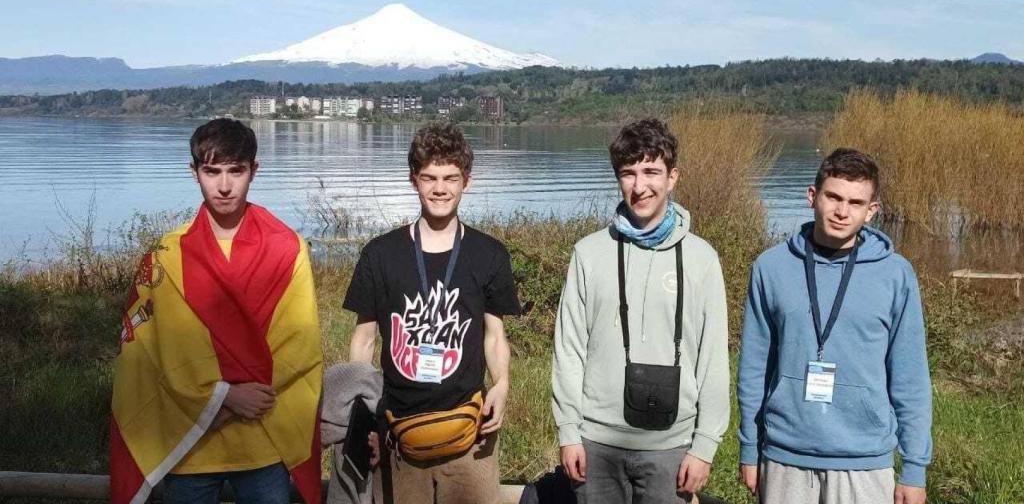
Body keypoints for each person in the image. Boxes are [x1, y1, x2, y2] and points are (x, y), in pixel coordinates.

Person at [110, 118, 323, 504]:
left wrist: (228, 403)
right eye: (212, 171)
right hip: (191, 446)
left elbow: (299, 345)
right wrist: (224, 400)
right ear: (194, 173)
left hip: (262, 438)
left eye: (235, 171)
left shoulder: (287, 249)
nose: (224, 185)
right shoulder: (166, 256)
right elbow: (148, 352)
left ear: (253, 171)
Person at [737, 147, 932, 504]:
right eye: (833, 197)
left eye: (856, 203)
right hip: (784, 457)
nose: (842, 212)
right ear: (813, 196)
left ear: (871, 211)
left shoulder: (895, 275)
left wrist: (915, 468)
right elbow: (753, 369)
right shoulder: (771, 268)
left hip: (864, 463)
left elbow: (911, 379)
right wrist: (750, 448)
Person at [552, 118, 731, 503]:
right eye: (628, 174)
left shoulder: (702, 259)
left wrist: (705, 445)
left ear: (672, 177)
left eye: (651, 171)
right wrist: (568, 430)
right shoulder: (589, 253)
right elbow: (569, 349)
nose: (640, 186)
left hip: (672, 445)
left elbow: (713, 358)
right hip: (596, 442)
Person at [344, 122, 522, 504]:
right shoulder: (380, 254)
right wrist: (362, 421)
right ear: (414, 180)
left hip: (470, 433)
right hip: (398, 432)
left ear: (466, 181)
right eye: (429, 178)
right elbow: (363, 340)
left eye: (450, 178)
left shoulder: (489, 254)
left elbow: (494, 334)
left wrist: (502, 383)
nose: (440, 189)